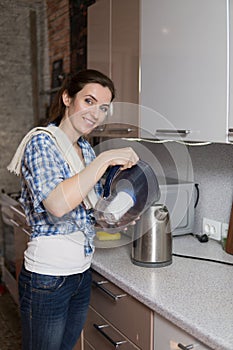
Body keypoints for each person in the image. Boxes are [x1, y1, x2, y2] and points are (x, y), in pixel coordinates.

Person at [8, 69, 139, 350]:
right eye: (89, 101)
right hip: (47, 278)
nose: (96, 113)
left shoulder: (85, 149)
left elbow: (85, 209)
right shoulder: (41, 142)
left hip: (80, 273)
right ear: (68, 98)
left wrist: (115, 217)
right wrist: (103, 160)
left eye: (103, 107)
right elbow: (57, 204)